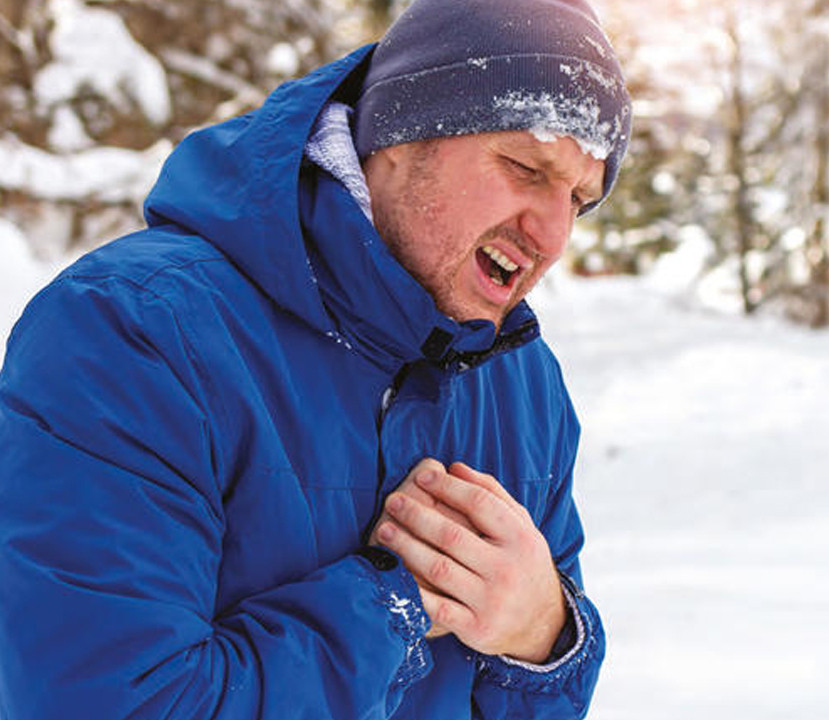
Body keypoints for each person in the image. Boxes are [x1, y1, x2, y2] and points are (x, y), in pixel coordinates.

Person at [0, 0, 630, 717]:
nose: (552, 234)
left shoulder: (520, 380)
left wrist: (545, 634)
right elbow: (106, 702)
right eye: (525, 167)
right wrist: (393, 607)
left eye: (579, 199)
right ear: (399, 135)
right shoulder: (134, 331)